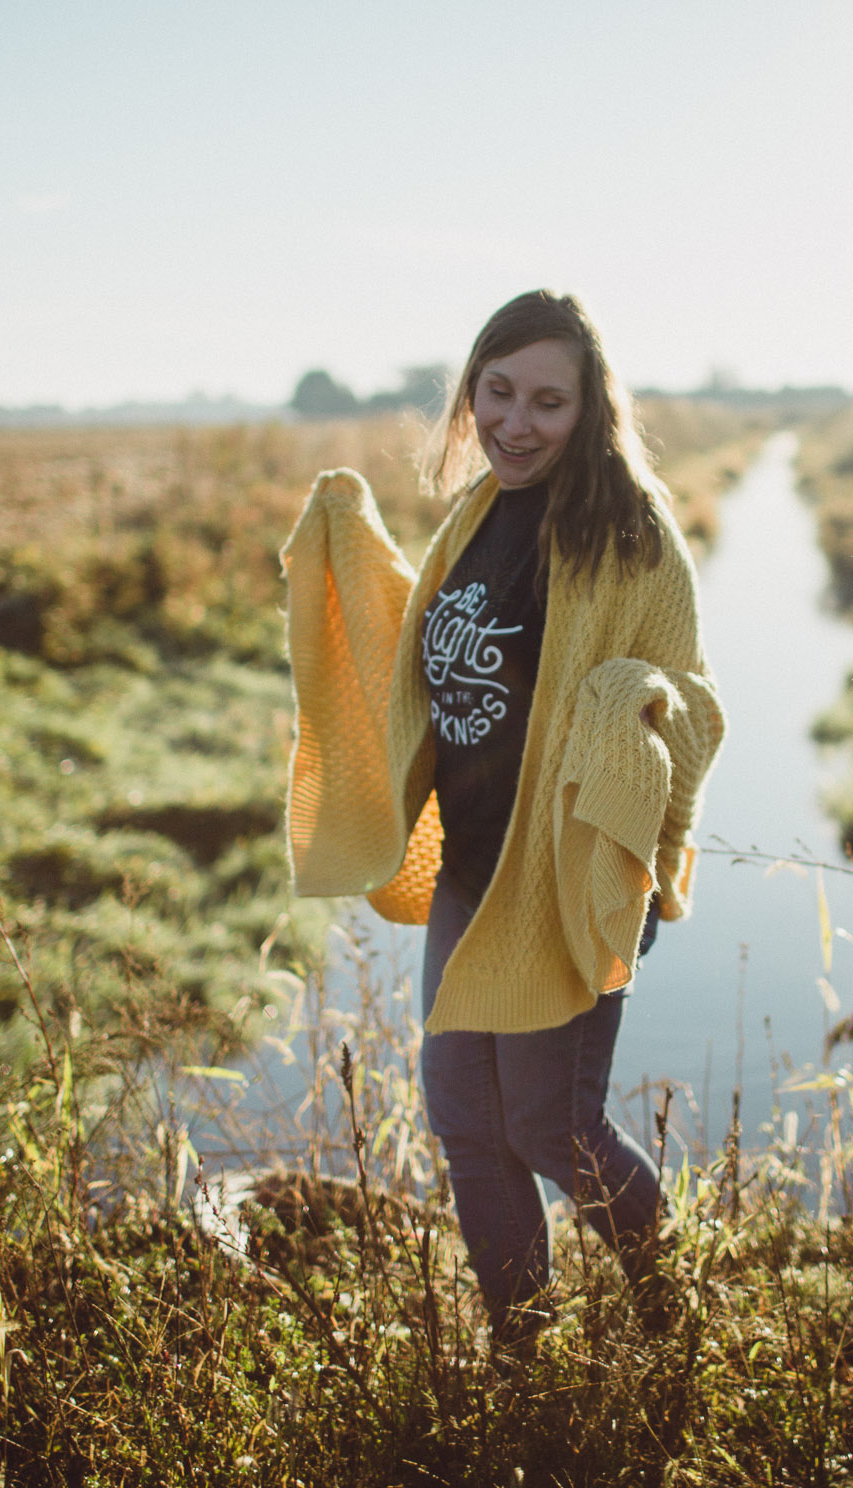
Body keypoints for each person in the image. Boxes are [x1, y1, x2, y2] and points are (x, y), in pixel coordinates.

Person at [280, 289, 723, 1351]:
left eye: (549, 402)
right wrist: (354, 558)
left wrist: (631, 703)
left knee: (550, 1127)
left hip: (567, 875)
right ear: (470, 391)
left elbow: (694, 706)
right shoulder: (476, 514)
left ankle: (678, 1323)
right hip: (475, 873)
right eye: (499, 392)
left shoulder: (631, 537)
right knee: (471, 1128)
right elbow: (441, 655)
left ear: (590, 410)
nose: (517, 422)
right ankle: (522, 1354)